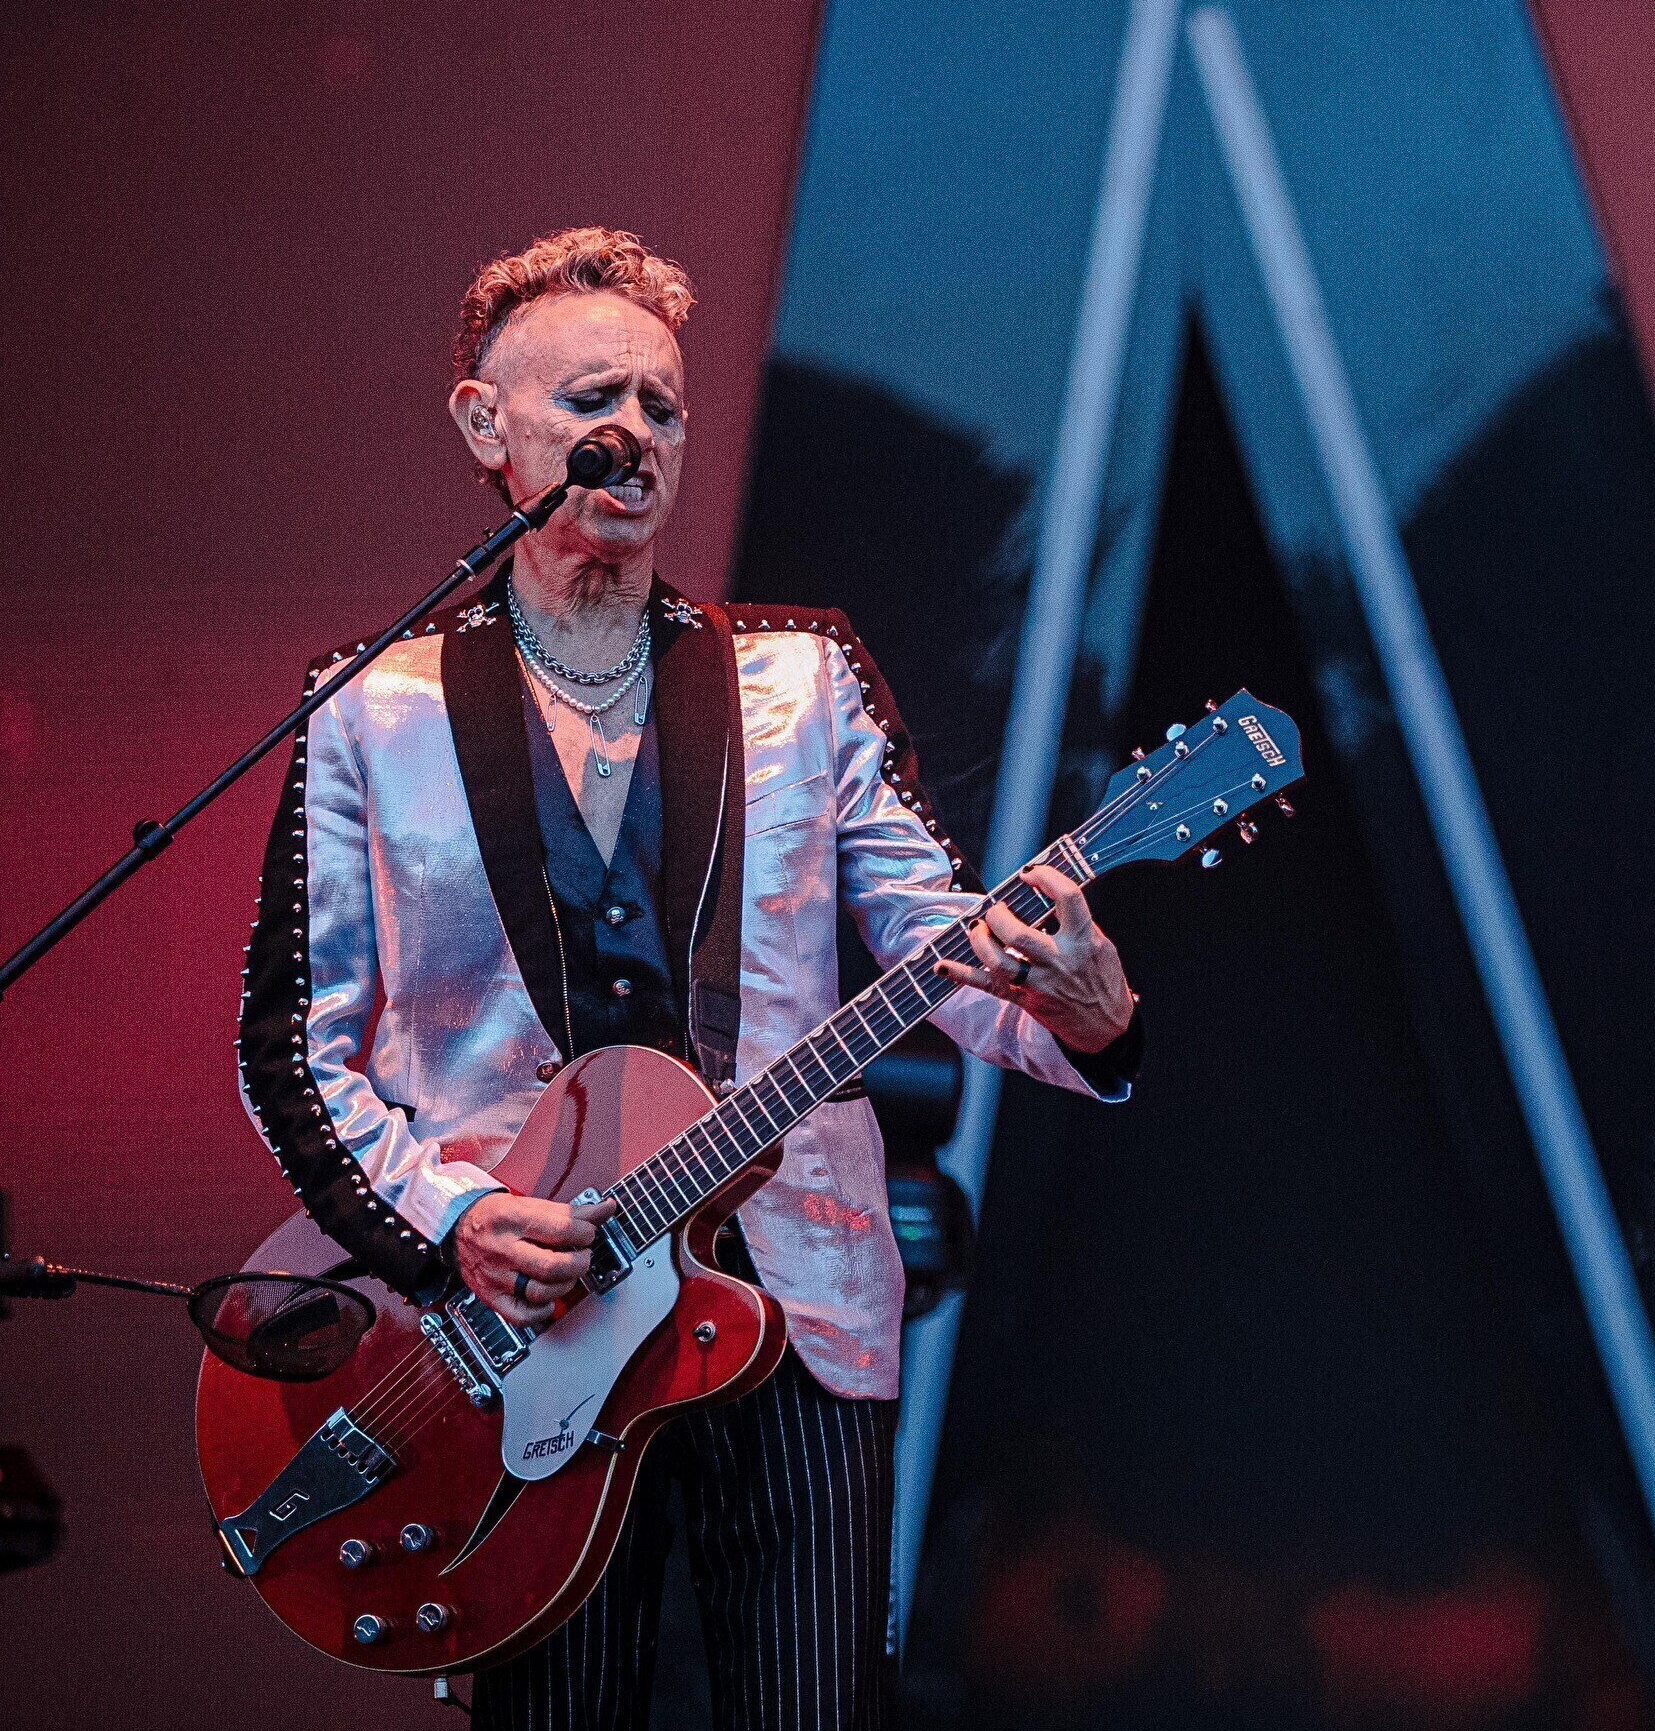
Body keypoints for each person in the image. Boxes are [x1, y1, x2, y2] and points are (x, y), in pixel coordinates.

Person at [235, 226, 1139, 1729]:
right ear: (486, 425)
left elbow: (940, 944)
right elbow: (295, 1051)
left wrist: (1084, 1018)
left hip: (793, 1304)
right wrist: (455, 1226)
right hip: (526, 1328)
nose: (636, 433)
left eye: (661, 405)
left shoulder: (801, 679)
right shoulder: (369, 711)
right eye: (593, 398)